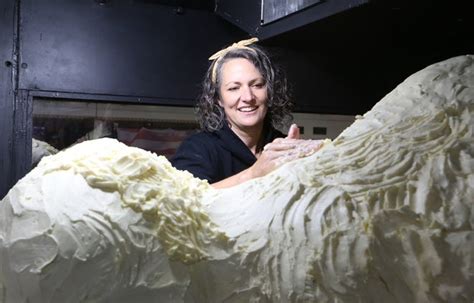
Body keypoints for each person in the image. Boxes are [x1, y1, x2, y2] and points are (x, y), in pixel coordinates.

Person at [171, 38, 323, 188]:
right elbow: (186, 201)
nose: (248, 97)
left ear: (269, 91)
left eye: (257, 85)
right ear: (218, 99)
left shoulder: (283, 148)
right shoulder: (198, 149)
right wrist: (254, 173)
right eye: (234, 88)